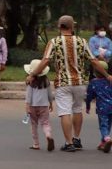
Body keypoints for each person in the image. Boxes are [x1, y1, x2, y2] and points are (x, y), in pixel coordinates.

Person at [26, 15, 112, 152]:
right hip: (80, 82)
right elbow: (94, 61)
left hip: (64, 83)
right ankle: (77, 139)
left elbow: (45, 61)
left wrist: (32, 74)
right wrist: (107, 75)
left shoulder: (54, 42)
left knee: (65, 111)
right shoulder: (82, 41)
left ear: (59, 27)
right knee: (77, 109)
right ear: (72, 27)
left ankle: (69, 142)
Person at [24, 59, 54, 151]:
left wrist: (27, 106)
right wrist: (51, 103)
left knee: (34, 125)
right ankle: (48, 135)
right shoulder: (46, 81)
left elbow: (28, 96)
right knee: (45, 123)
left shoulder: (31, 82)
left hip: (33, 106)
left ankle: (36, 144)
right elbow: (50, 94)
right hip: (44, 105)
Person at [86, 60, 112, 153]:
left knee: (103, 125)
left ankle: (107, 139)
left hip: (102, 108)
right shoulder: (110, 80)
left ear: (95, 72)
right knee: (108, 125)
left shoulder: (94, 82)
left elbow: (89, 96)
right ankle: (103, 143)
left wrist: (88, 106)